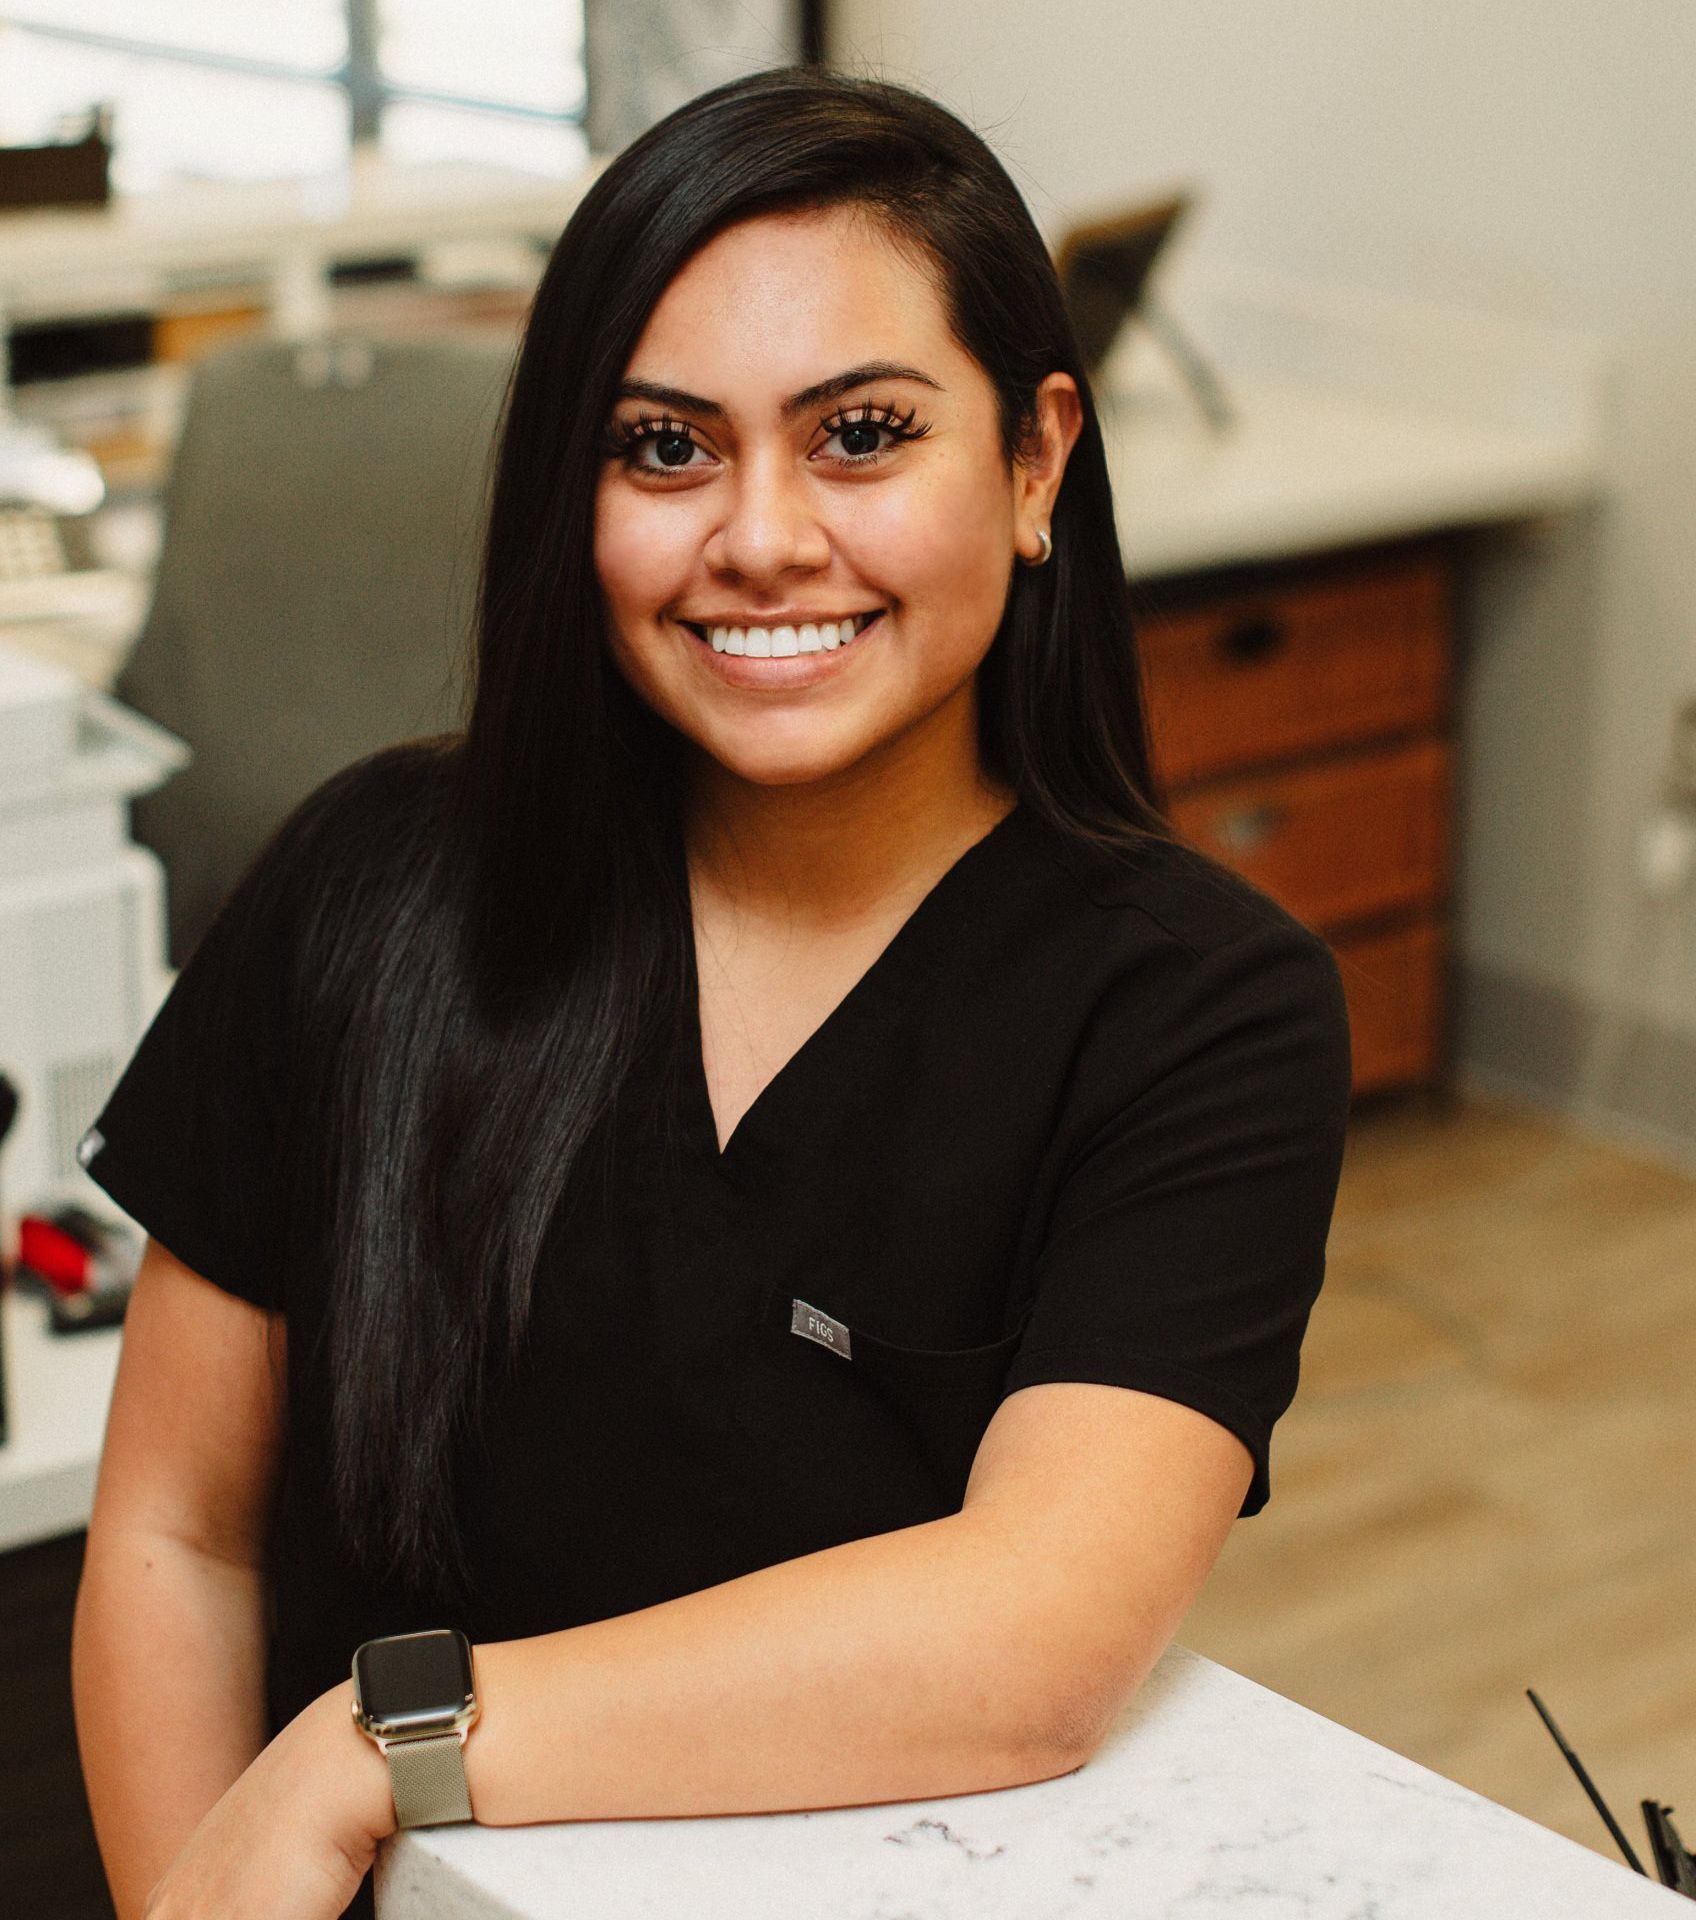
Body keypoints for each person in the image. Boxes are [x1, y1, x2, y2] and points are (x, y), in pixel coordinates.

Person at [70, 64, 1352, 1920]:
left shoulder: (1203, 1015)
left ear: (1036, 459)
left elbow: (1032, 1636)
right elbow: (177, 1534)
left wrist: (383, 1745)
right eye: (665, 447)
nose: (759, 536)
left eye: (861, 436)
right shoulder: (368, 887)